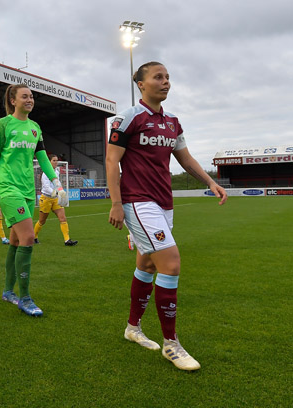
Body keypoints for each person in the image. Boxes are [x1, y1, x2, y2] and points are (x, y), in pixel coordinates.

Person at [106, 61, 227, 371]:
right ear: (141, 84)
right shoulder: (128, 117)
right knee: (171, 263)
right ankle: (171, 344)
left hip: (164, 202)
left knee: (147, 264)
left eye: (168, 77)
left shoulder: (173, 122)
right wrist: (116, 203)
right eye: (158, 77)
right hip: (138, 201)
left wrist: (211, 181)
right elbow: (111, 160)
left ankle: (133, 328)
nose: (166, 82)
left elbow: (185, 159)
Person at [0, 84, 66, 316]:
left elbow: (43, 158)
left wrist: (57, 182)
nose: (30, 100)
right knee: (28, 237)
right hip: (7, 189)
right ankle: (25, 297)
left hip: (28, 191)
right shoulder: (3, 124)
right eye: (25, 96)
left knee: (16, 242)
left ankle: (8, 291)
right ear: (13, 100)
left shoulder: (35, 127)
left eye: (32, 96)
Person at [34, 153, 78, 246]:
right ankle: (34, 237)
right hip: (46, 198)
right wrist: (57, 193)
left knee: (63, 218)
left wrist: (60, 191)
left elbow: (57, 184)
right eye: (54, 160)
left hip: (55, 199)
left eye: (56, 160)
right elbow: (46, 187)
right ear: (49, 162)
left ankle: (67, 240)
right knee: (42, 221)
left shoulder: (57, 171)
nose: (56, 162)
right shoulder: (45, 173)